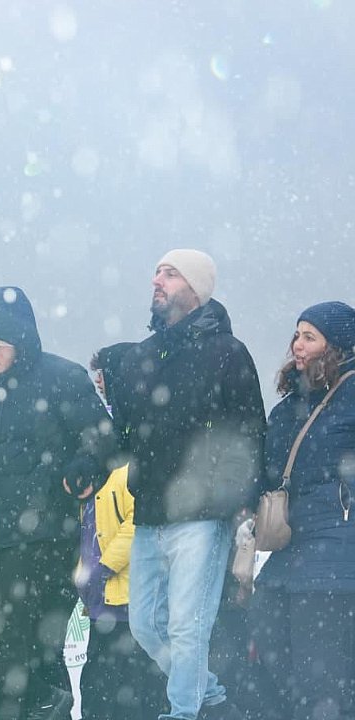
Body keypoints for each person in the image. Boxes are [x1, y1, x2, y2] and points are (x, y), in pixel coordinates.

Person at [0, 286, 117, 720]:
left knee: (26, 639)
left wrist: (82, 467)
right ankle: (43, 699)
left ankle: (41, 702)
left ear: (21, 341)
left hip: (45, 533)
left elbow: (101, 436)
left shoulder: (62, 378)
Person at [110, 250, 265, 720]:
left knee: (188, 627)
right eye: (156, 271)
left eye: (170, 274)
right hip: (151, 511)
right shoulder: (140, 355)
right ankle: (212, 695)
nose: (157, 280)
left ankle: (183, 712)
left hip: (204, 513)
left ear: (196, 288)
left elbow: (251, 429)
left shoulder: (227, 351)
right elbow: (123, 433)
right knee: (145, 627)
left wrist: (238, 498)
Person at [250, 301, 355, 720]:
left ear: (338, 346)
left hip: (336, 547)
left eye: (310, 337)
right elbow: (267, 471)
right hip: (289, 547)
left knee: (322, 675)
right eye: (296, 335)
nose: (298, 345)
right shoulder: (289, 405)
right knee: (271, 650)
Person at [75, 342, 165, 720]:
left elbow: (142, 516)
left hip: (132, 597)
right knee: (97, 691)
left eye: (104, 374)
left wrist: (105, 565)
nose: (99, 382)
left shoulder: (142, 441)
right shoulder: (104, 440)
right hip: (103, 601)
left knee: (134, 693)